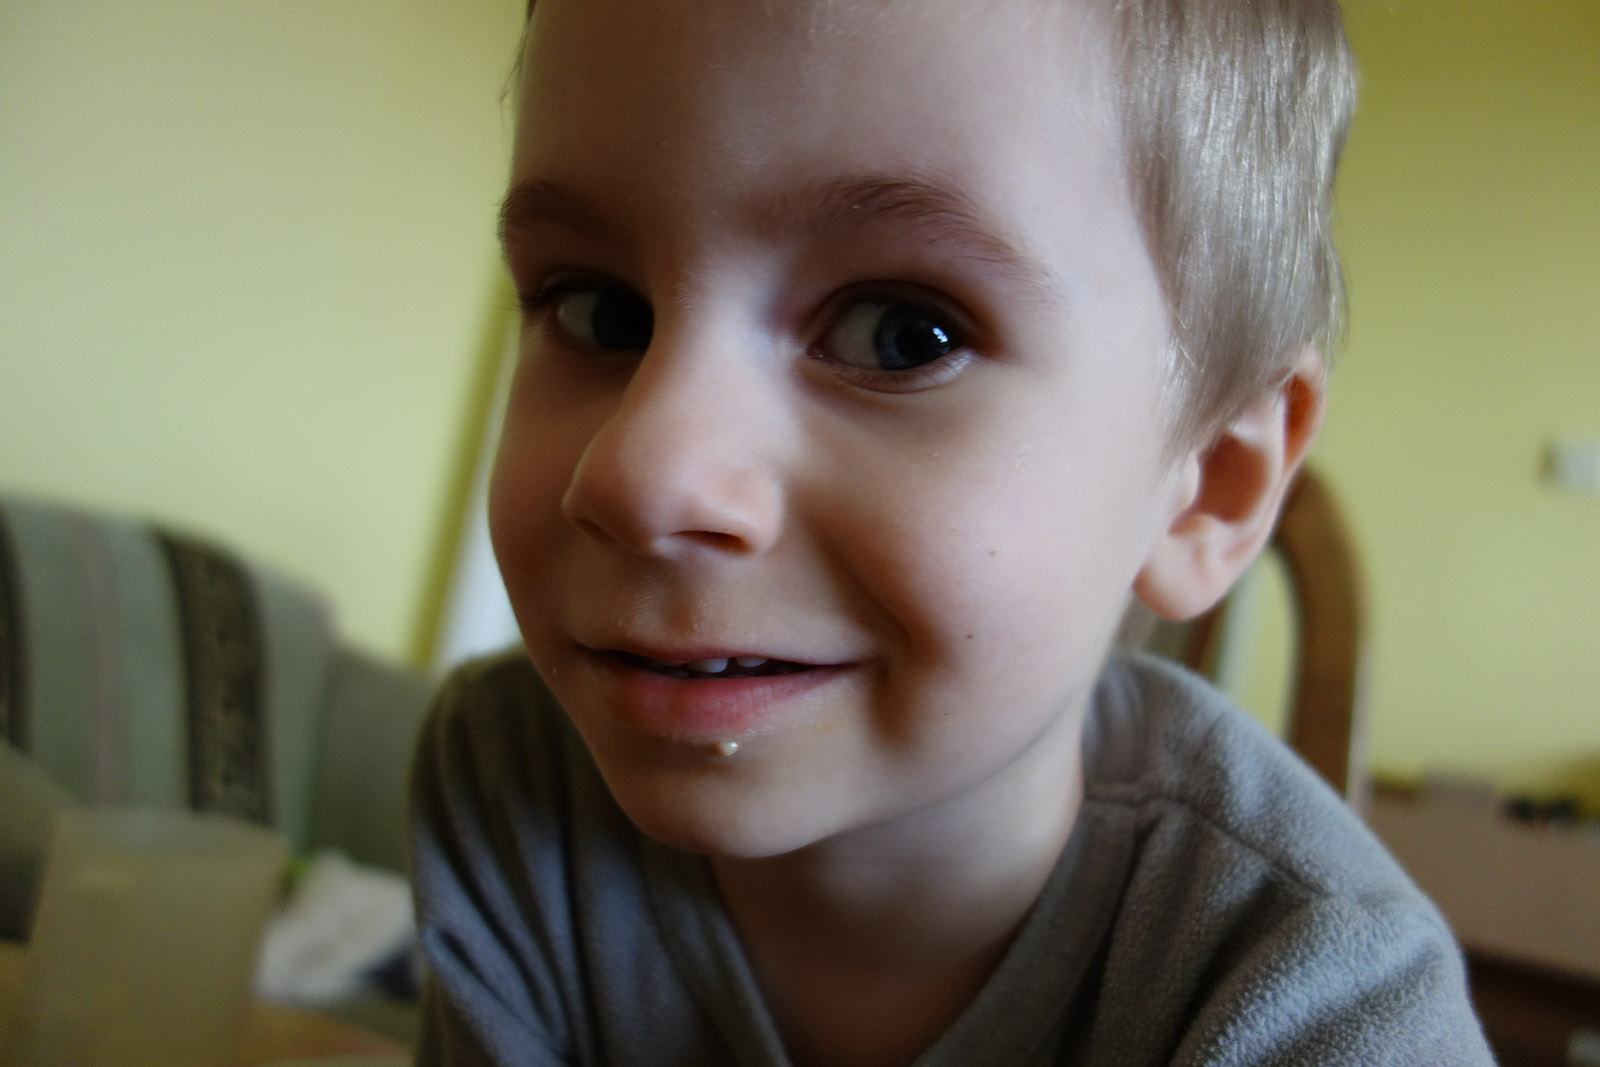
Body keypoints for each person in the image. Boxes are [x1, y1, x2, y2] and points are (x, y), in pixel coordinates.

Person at [408, 0, 1495, 1063]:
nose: (639, 474)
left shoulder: (1322, 998)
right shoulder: (509, 776)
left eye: (901, 333)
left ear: (1208, 479)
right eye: (600, 310)